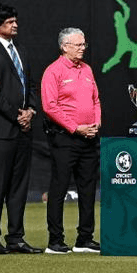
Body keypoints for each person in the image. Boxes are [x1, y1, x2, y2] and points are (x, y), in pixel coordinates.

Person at [0, 4, 40, 255]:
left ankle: (16, 237)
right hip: (2, 129)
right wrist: (16, 115)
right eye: (10, 21)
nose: (15, 25)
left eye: (16, 20)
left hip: (23, 128)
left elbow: (31, 85)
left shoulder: (21, 50)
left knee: (19, 185)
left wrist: (31, 110)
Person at [41, 27, 100, 254]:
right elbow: (50, 106)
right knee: (59, 189)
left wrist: (96, 123)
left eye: (84, 44)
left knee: (88, 189)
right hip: (65, 138)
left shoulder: (87, 70)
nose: (83, 48)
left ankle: (85, 238)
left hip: (89, 138)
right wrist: (76, 128)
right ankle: (55, 240)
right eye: (78, 45)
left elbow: (96, 100)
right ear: (65, 47)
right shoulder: (53, 71)